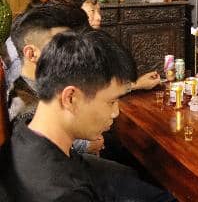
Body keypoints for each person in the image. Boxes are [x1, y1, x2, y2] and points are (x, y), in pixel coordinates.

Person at [7, 29, 175, 201]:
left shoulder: (22, 132)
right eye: (111, 102)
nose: (115, 112)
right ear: (70, 98)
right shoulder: (64, 193)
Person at [6, 4, 103, 155]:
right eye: (59, 45)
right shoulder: (27, 110)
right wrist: (87, 143)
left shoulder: (46, 86)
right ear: (32, 54)